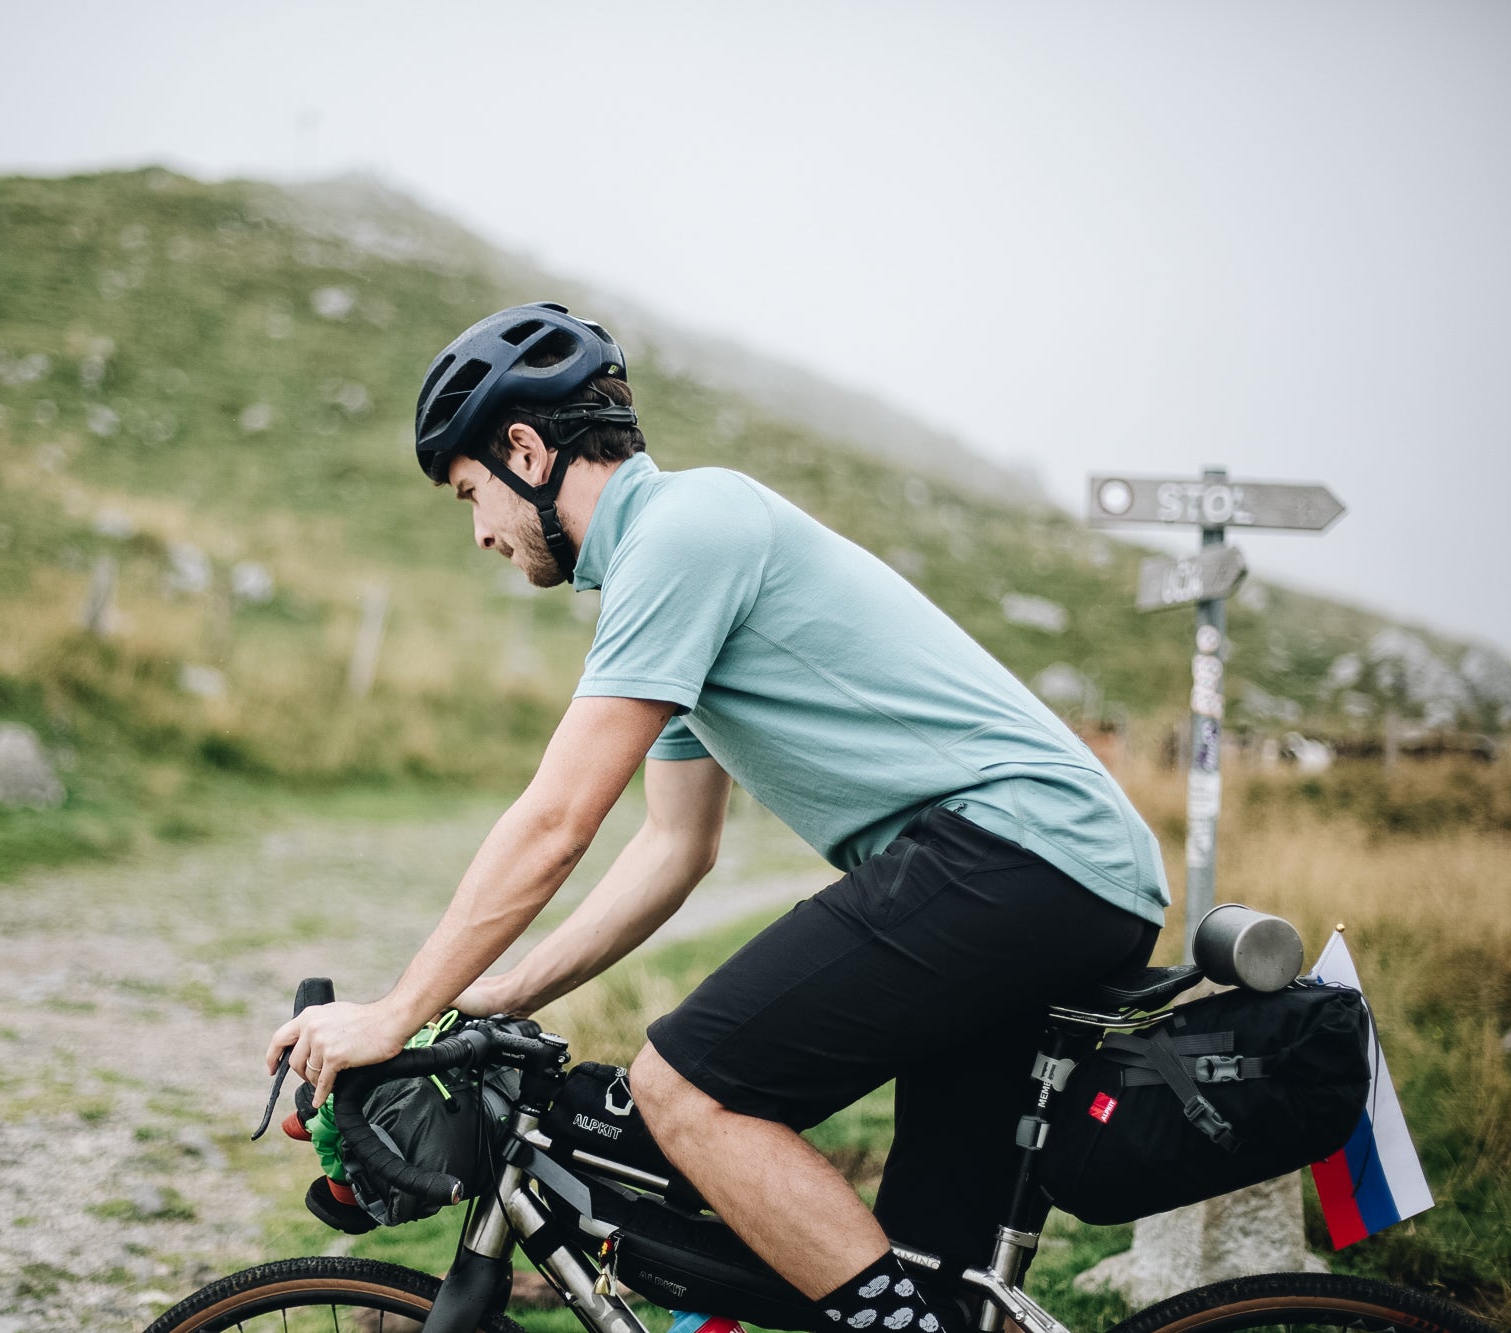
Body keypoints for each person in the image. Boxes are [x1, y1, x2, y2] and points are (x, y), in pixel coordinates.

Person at [268, 302, 1169, 1331]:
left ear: (524, 449)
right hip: (1052, 875)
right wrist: (494, 993)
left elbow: (558, 819)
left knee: (685, 1088)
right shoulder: (670, 573)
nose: (479, 531)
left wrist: (394, 1010)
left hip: (1014, 852)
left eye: (473, 494)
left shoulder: (684, 532)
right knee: (926, 1270)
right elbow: (673, 847)